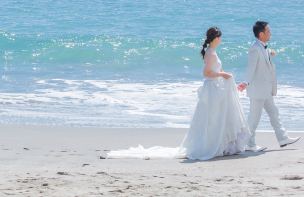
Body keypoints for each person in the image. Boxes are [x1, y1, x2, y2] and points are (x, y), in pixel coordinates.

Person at [106, 27, 250, 161]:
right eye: (220, 37)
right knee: (211, 119)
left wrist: (227, 78)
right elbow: (206, 73)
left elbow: (217, 69)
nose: (221, 40)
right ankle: (210, 146)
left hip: (215, 88)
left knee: (215, 118)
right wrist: (224, 74)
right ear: (215, 38)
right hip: (211, 89)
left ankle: (219, 144)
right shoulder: (211, 53)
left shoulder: (212, 52)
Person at [237, 21, 300, 151]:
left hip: (265, 90)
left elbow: (264, 56)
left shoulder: (263, 47)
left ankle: (283, 138)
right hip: (257, 91)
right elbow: (251, 67)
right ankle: (248, 143)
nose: (270, 33)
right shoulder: (254, 48)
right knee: (254, 118)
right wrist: (245, 82)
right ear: (261, 34)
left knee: (274, 113)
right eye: (268, 31)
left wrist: (270, 52)